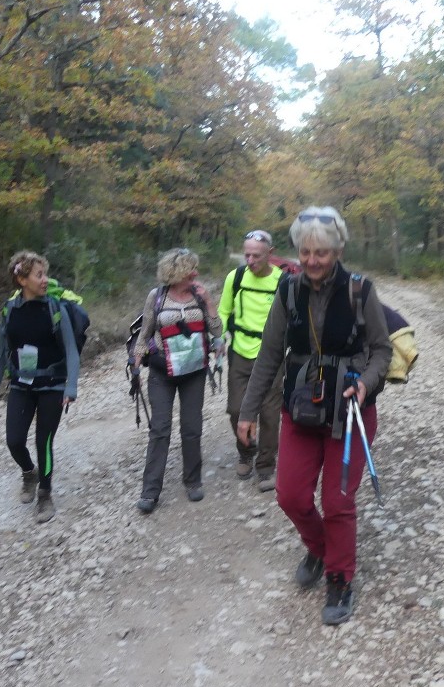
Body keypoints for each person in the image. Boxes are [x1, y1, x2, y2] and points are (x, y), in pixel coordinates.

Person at [236, 207, 391, 625]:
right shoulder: (288, 291)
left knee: (338, 501)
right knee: (290, 495)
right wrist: (247, 412)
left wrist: (367, 383)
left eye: (321, 252)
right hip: (301, 406)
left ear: (338, 250)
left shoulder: (360, 290)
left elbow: (381, 350)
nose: (312, 260)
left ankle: (340, 577)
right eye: (306, 252)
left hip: (350, 410)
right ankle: (321, 547)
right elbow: (269, 355)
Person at [0, 251, 79, 523]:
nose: (45, 280)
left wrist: (70, 387)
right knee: (14, 440)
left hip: (52, 384)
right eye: (39, 275)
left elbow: (72, 352)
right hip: (21, 384)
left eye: (44, 274)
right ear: (22, 279)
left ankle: (45, 493)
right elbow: (1, 350)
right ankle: (29, 472)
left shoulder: (55, 309)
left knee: (44, 442)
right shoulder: (10, 310)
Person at [132, 248, 223, 514]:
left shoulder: (199, 294)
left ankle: (192, 480)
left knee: (192, 427)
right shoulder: (157, 297)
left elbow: (216, 330)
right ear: (178, 273)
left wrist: (208, 303)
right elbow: (145, 330)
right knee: (160, 429)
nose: (196, 273)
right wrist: (136, 363)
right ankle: (150, 491)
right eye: (191, 269)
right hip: (163, 372)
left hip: (194, 372)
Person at [217, 230, 284, 492]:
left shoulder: (283, 282)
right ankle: (246, 451)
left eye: (256, 255)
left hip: (272, 358)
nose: (250, 260)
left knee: (269, 414)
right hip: (240, 354)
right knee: (236, 409)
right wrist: (219, 337)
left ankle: (266, 467)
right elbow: (224, 311)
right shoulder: (236, 278)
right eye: (246, 254)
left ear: (270, 253)